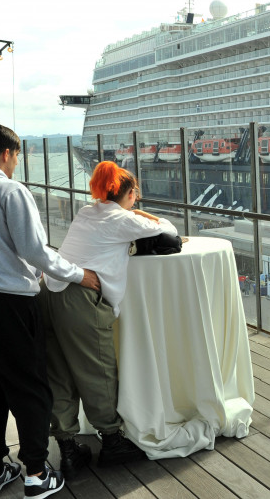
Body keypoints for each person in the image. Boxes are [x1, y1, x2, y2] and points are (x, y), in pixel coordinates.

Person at [0, 123, 101, 499]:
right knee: (28, 384)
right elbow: (35, 250)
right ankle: (35, 471)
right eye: (17, 155)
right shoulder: (9, 189)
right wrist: (80, 275)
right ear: (6, 154)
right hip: (9, 301)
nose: (17, 162)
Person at [38, 161, 178, 476]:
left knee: (58, 373)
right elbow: (167, 229)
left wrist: (132, 214)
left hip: (47, 292)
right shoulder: (122, 219)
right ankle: (112, 441)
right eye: (135, 194)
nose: (137, 200)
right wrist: (141, 215)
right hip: (78, 300)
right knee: (97, 369)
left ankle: (68, 448)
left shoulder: (88, 212)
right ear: (126, 193)